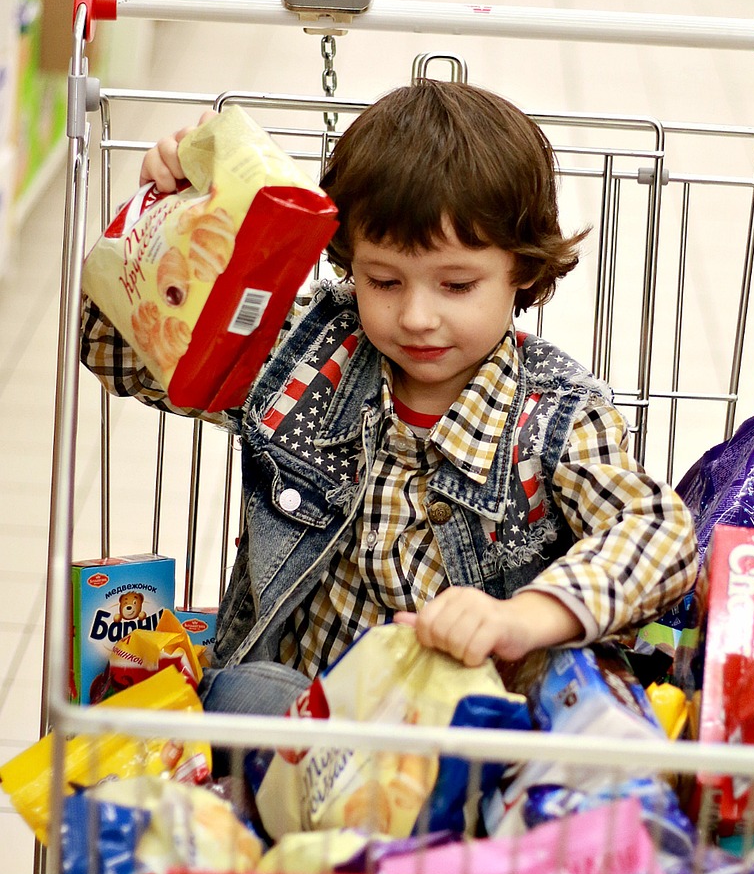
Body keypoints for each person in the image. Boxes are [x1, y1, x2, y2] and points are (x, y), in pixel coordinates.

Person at [81, 80, 697, 713]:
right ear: (349, 264)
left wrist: (526, 618)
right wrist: (171, 224)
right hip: (295, 726)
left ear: (525, 270)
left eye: (456, 285)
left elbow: (659, 532)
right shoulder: (309, 355)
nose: (417, 316)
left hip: (458, 735)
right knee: (248, 694)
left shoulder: (555, 418)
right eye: (383, 280)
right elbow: (116, 355)